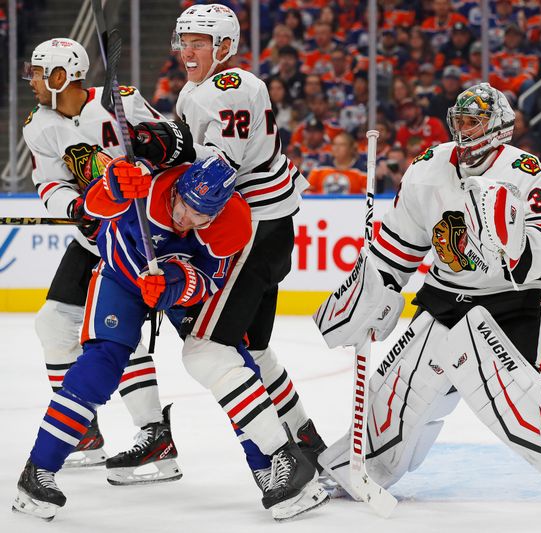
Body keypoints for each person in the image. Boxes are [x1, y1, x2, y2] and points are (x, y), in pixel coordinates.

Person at [314, 82, 541, 518]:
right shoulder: (428, 168)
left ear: (498, 128)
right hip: (446, 295)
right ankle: (359, 466)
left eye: (473, 121)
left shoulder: (524, 171)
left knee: (503, 388)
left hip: (518, 298)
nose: (463, 130)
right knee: (402, 383)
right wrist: (374, 291)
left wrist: (513, 249)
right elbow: (397, 245)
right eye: (458, 120)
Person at [12, 156, 325, 521]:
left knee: (223, 357)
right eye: (186, 206)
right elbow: (92, 208)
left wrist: (177, 284)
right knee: (99, 367)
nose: (187, 219)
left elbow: (211, 279)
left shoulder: (232, 223)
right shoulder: (147, 181)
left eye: (201, 217)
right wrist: (112, 185)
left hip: (173, 286)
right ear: (177, 189)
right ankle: (39, 471)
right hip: (120, 277)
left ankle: (271, 470)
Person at [133, 3, 329, 513]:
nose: (187, 51)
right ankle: (309, 444)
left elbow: (215, 173)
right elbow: (191, 150)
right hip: (267, 228)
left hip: (251, 230)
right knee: (256, 352)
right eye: (183, 40)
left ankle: (284, 460)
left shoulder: (232, 85)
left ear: (224, 46)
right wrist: (151, 130)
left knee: (205, 349)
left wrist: (166, 205)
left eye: (199, 41)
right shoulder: (198, 91)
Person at [21, 37, 182, 480]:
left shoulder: (121, 103)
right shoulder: (38, 125)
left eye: (36, 72)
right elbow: (50, 184)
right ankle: (84, 431)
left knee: (119, 335)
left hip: (138, 237)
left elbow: (174, 154)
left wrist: (145, 167)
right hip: (94, 238)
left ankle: (155, 436)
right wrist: (75, 209)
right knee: (53, 323)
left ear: (59, 77)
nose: (30, 80)